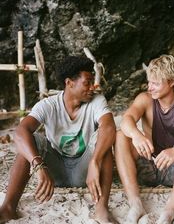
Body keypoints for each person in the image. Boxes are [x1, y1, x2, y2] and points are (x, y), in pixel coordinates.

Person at [0, 55, 116, 224]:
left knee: (104, 138)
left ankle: (101, 210)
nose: (93, 87)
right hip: (54, 172)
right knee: (30, 139)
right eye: (87, 82)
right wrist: (38, 165)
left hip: (84, 172)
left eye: (93, 82)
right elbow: (20, 131)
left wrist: (94, 162)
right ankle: (8, 208)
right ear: (69, 83)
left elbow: (109, 127)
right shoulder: (48, 105)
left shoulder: (97, 101)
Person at [115, 55, 174, 224]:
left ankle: (169, 211)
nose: (150, 87)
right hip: (149, 164)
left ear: (172, 82)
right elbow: (127, 119)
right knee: (121, 135)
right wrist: (136, 135)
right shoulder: (145, 99)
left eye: (156, 83)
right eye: (149, 82)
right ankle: (135, 203)